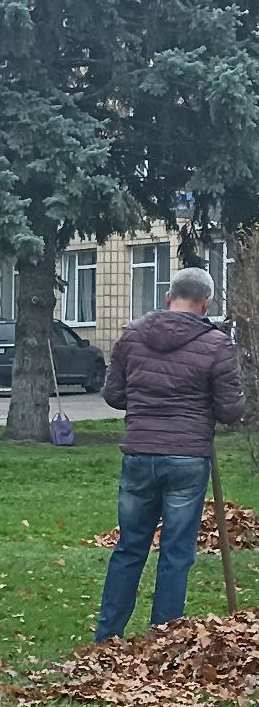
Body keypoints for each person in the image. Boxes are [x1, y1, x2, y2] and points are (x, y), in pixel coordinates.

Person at [94, 267, 244, 642]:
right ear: (206, 302)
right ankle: (162, 638)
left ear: (168, 296)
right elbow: (230, 411)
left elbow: (114, 395)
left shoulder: (132, 336)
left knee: (130, 546)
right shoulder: (216, 345)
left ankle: (107, 636)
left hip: (140, 453)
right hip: (187, 458)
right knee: (176, 552)